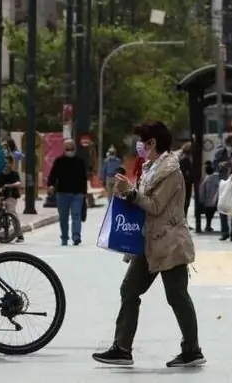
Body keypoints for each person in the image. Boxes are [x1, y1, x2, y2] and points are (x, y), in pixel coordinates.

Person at [93, 120, 205, 368]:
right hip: (148, 242)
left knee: (176, 296)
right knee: (129, 289)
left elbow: (155, 206)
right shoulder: (152, 167)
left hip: (169, 243)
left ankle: (192, 350)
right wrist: (127, 191)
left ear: (153, 143)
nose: (139, 146)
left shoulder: (170, 171)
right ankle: (122, 348)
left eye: (143, 141)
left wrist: (131, 192)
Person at [46, 139, 88, 245]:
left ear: (75, 148)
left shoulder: (80, 161)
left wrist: (84, 193)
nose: (70, 151)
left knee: (76, 215)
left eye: (71, 149)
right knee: (63, 217)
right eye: (67, 149)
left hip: (77, 194)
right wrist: (50, 185)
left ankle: (76, 236)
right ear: (64, 149)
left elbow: (84, 178)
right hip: (62, 193)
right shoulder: (59, 161)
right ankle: (64, 237)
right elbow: (53, 175)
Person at [0, 154, 24, 242]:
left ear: (11, 164)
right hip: (0, 197)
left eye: (8, 163)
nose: (6, 165)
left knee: (11, 211)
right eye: (4, 163)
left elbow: (19, 183)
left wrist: (9, 185)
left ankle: (19, 234)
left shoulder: (14, 174)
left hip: (11, 197)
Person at [197, 161, 220, 233]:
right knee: (211, 213)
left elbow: (202, 190)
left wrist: (201, 199)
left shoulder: (205, 178)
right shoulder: (216, 177)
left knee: (208, 214)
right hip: (213, 199)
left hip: (208, 199)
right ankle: (208, 225)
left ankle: (208, 225)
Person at [178, 142, 194, 217]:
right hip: (186, 184)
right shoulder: (185, 160)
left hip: (184, 184)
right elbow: (186, 173)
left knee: (184, 204)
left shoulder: (182, 159)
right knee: (185, 203)